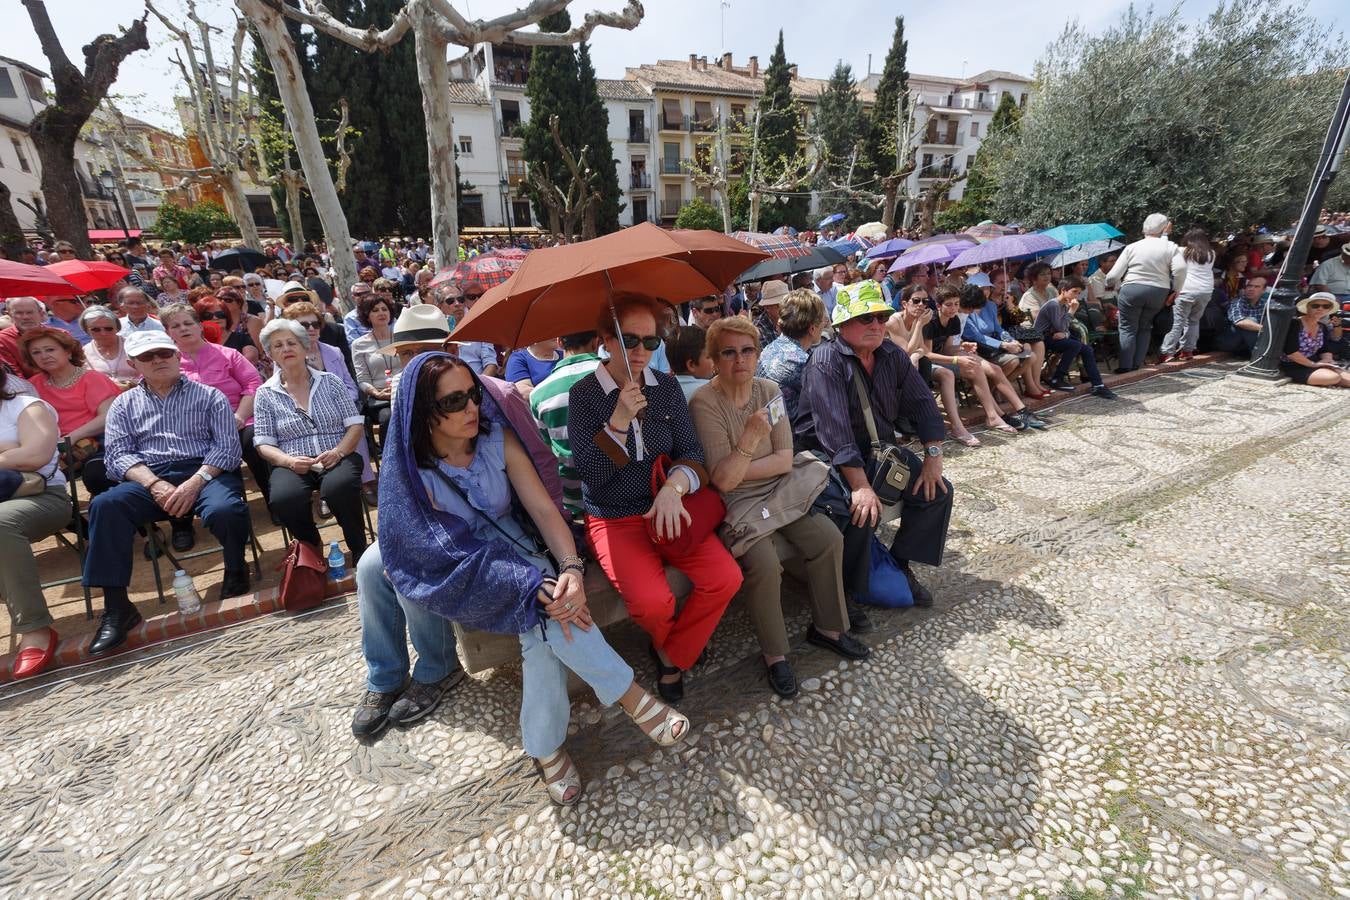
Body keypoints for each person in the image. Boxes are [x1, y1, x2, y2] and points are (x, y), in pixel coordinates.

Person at [375, 353, 691, 803]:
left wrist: (571, 569)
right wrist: (529, 584)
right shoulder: (416, 476)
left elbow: (543, 510)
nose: (472, 408)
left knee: (543, 623)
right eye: (455, 401)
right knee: (544, 607)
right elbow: (440, 554)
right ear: (424, 412)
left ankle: (547, 749)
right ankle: (633, 699)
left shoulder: (496, 440)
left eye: (474, 393)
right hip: (473, 573)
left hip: (524, 555)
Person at [569, 294, 742, 703]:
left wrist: (673, 488)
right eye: (629, 340)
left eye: (651, 342)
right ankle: (675, 652)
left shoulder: (664, 388)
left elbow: (692, 455)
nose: (641, 351)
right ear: (605, 341)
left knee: (725, 578)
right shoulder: (584, 396)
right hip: (616, 517)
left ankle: (671, 653)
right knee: (652, 604)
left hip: (670, 508)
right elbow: (593, 475)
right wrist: (619, 421)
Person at [690, 316, 869, 698]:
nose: (740, 360)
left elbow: (785, 459)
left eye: (748, 350)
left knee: (828, 538)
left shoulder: (768, 389)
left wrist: (741, 464)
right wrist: (753, 436)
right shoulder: (704, 402)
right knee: (765, 564)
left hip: (783, 490)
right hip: (737, 504)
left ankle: (828, 628)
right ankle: (775, 656)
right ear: (714, 359)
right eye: (729, 352)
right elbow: (723, 482)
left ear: (757, 354)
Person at [83, 330, 252, 655]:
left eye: (164, 353)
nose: (158, 359)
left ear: (177, 356)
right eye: (148, 356)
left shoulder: (209, 396)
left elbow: (227, 450)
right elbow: (117, 456)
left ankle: (235, 569)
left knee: (225, 508)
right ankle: (117, 607)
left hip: (204, 470)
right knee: (105, 506)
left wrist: (195, 482)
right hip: (150, 475)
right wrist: (153, 483)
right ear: (133, 364)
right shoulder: (123, 404)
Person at [793, 280, 955, 609]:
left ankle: (900, 561)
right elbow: (834, 430)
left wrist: (933, 455)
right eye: (866, 319)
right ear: (842, 324)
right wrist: (860, 485)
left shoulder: (890, 354)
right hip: (830, 456)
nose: (877, 325)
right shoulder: (826, 360)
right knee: (858, 508)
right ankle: (849, 587)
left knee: (938, 490)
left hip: (877, 452)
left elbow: (923, 404)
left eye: (881, 318)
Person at [253, 320, 368, 558]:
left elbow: (355, 425)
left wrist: (338, 452)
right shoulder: (265, 393)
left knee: (340, 488)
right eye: (278, 345)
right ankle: (311, 549)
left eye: (291, 343)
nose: (286, 349)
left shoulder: (330, 382)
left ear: (305, 347)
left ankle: (358, 547)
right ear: (271, 354)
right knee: (285, 498)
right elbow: (263, 443)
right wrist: (288, 462)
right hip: (293, 462)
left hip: (337, 455)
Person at [0, 372, 72, 678]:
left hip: (41, 495)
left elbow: (35, 454)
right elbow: (20, 454)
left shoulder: (25, 407)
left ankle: (35, 628)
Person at [20, 325, 123, 494]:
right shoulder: (32, 385)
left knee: (93, 474)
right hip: (47, 445)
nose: (44, 356)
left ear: (68, 352)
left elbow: (108, 417)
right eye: (36, 352)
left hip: (94, 442)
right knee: (23, 478)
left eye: (50, 349)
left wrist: (71, 437)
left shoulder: (92, 378)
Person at [527, 331, 602, 521]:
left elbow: (545, 453)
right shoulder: (615, 376)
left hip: (571, 501)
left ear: (560, 342)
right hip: (618, 495)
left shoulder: (538, 394)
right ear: (596, 342)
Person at [1104, 213, 1187, 373]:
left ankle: (1125, 366)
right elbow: (1181, 269)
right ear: (1164, 229)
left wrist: (1111, 284)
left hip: (1132, 289)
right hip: (1158, 291)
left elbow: (1113, 276)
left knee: (1127, 327)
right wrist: (1176, 289)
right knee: (1145, 326)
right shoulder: (1170, 247)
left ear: (1144, 229)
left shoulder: (1132, 247)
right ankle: (1137, 364)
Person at [1033, 277, 1118, 398]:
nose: (1076, 296)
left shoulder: (1063, 305)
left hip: (1055, 337)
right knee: (1075, 345)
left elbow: (1064, 329)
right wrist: (1072, 311)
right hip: (1041, 340)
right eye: (1074, 291)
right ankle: (1057, 379)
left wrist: (1065, 333)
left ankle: (1098, 385)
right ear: (1063, 290)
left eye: (1078, 293)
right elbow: (1061, 326)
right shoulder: (1054, 305)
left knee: (1087, 349)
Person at [758, 288, 827, 423]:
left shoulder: (772, 347)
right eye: (822, 321)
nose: (825, 324)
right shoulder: (801, 363)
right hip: (789, 437)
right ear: (812, 329)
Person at [349, 292, 403, 445]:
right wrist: (376, 393)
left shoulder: (403, 338)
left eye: (384, 309)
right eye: (375, 310)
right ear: (367, 316)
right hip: (380, 399)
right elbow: (362, 379)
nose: (381, 313)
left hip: (405, 390)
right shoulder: (359, 345)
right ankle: (391, 460)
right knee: (389, 417)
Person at [281, 302, 360, 402]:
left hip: (342, 409)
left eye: (315, 324)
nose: (311, 328)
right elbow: (285, 396)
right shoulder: (286, 356)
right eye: (304, 325)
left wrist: (341, 404)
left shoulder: (334, 352)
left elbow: (350, 387)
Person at [1279, 292, 1349, 387]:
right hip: (1293, 365)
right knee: (1333, 377)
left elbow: (1325, 349)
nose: (1320, 308)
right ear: (1307, 307)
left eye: (1326, 306)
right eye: (1315, 305)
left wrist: (1327, 360)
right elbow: (1291, 352)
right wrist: (1313, 365)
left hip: (1315, 361)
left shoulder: (1322, 327)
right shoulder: (1295, 323)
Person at [80, 305, 138, 386]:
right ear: (86, 331)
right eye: (95, 329)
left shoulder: (134, 345)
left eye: (108, 328)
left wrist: (131, 384)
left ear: (117, 328)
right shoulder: (83, 353)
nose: (103, 333)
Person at [1219, 275, 1268, 359]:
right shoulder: (1237, 302)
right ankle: (1260, 357)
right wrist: (1266, 329)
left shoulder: (1265, 303)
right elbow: (1240, 322)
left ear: (1263, 290)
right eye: (1249, 286)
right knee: (1249, 322)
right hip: (1228, 341)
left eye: (1256, 287)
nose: (1251, 289)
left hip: (1246, 343)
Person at [0, 297, 49, 376]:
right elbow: (14, 377)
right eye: (19, 313)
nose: (25, 317)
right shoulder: (3, 340)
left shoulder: (60, 334)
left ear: (41, 313)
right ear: (9, 315)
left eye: (30, 312)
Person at [666, 325, 713, 402]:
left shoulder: (665, 391)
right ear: (691, 365)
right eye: (709, 356)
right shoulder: (714, 391)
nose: (714, 360)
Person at [754, 280, 787, 347]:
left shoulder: (792, 320)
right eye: (780, 305)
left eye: (788, 303)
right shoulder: (758, 330)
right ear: (767, 307)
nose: (786, 308)